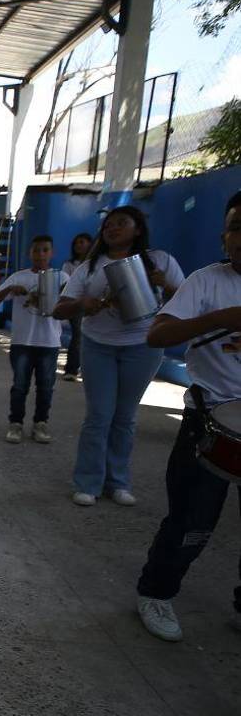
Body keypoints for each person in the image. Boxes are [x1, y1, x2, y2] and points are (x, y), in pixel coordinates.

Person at [133, 191, 241, 642]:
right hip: (211, 417)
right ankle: (156, 592)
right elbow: (159, 334)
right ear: (224, 236)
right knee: (191, 519)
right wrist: (223, 317)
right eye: (238, 227)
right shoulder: (207, 281)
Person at [54, 206, 184, 507]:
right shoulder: (90, 266)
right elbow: (59, 308)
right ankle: (88, 482)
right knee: (99, 416)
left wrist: (163, 284)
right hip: (98, 344)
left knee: (124, 418)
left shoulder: (159, 261)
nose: (112, 229)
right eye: (108, 225)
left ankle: (118, 482)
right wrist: (82, 304)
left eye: (121, 223)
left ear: (137, 229)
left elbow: (189, 298)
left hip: (143, 346)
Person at [0, 236, 61, 444]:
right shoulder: (18, 277)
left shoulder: (61, 277)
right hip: (22, 342)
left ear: (51, 253)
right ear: (29, 253)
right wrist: (9, 290)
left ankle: (40, 423)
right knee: (20, 386)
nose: (40, 254)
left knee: (46, 386)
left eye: (45, 250)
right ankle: (16, 423)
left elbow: (68, 306)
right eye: (36, 250)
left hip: (49, 342)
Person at [59, 232, 93, 381]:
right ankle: (71, 369)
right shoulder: (69, 265)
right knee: (78, 336)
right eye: (76, 243)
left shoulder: (96, 264)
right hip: (76, 305)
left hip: (95, 305)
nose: (79, 245)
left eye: (82, 242)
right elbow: (64, 285)